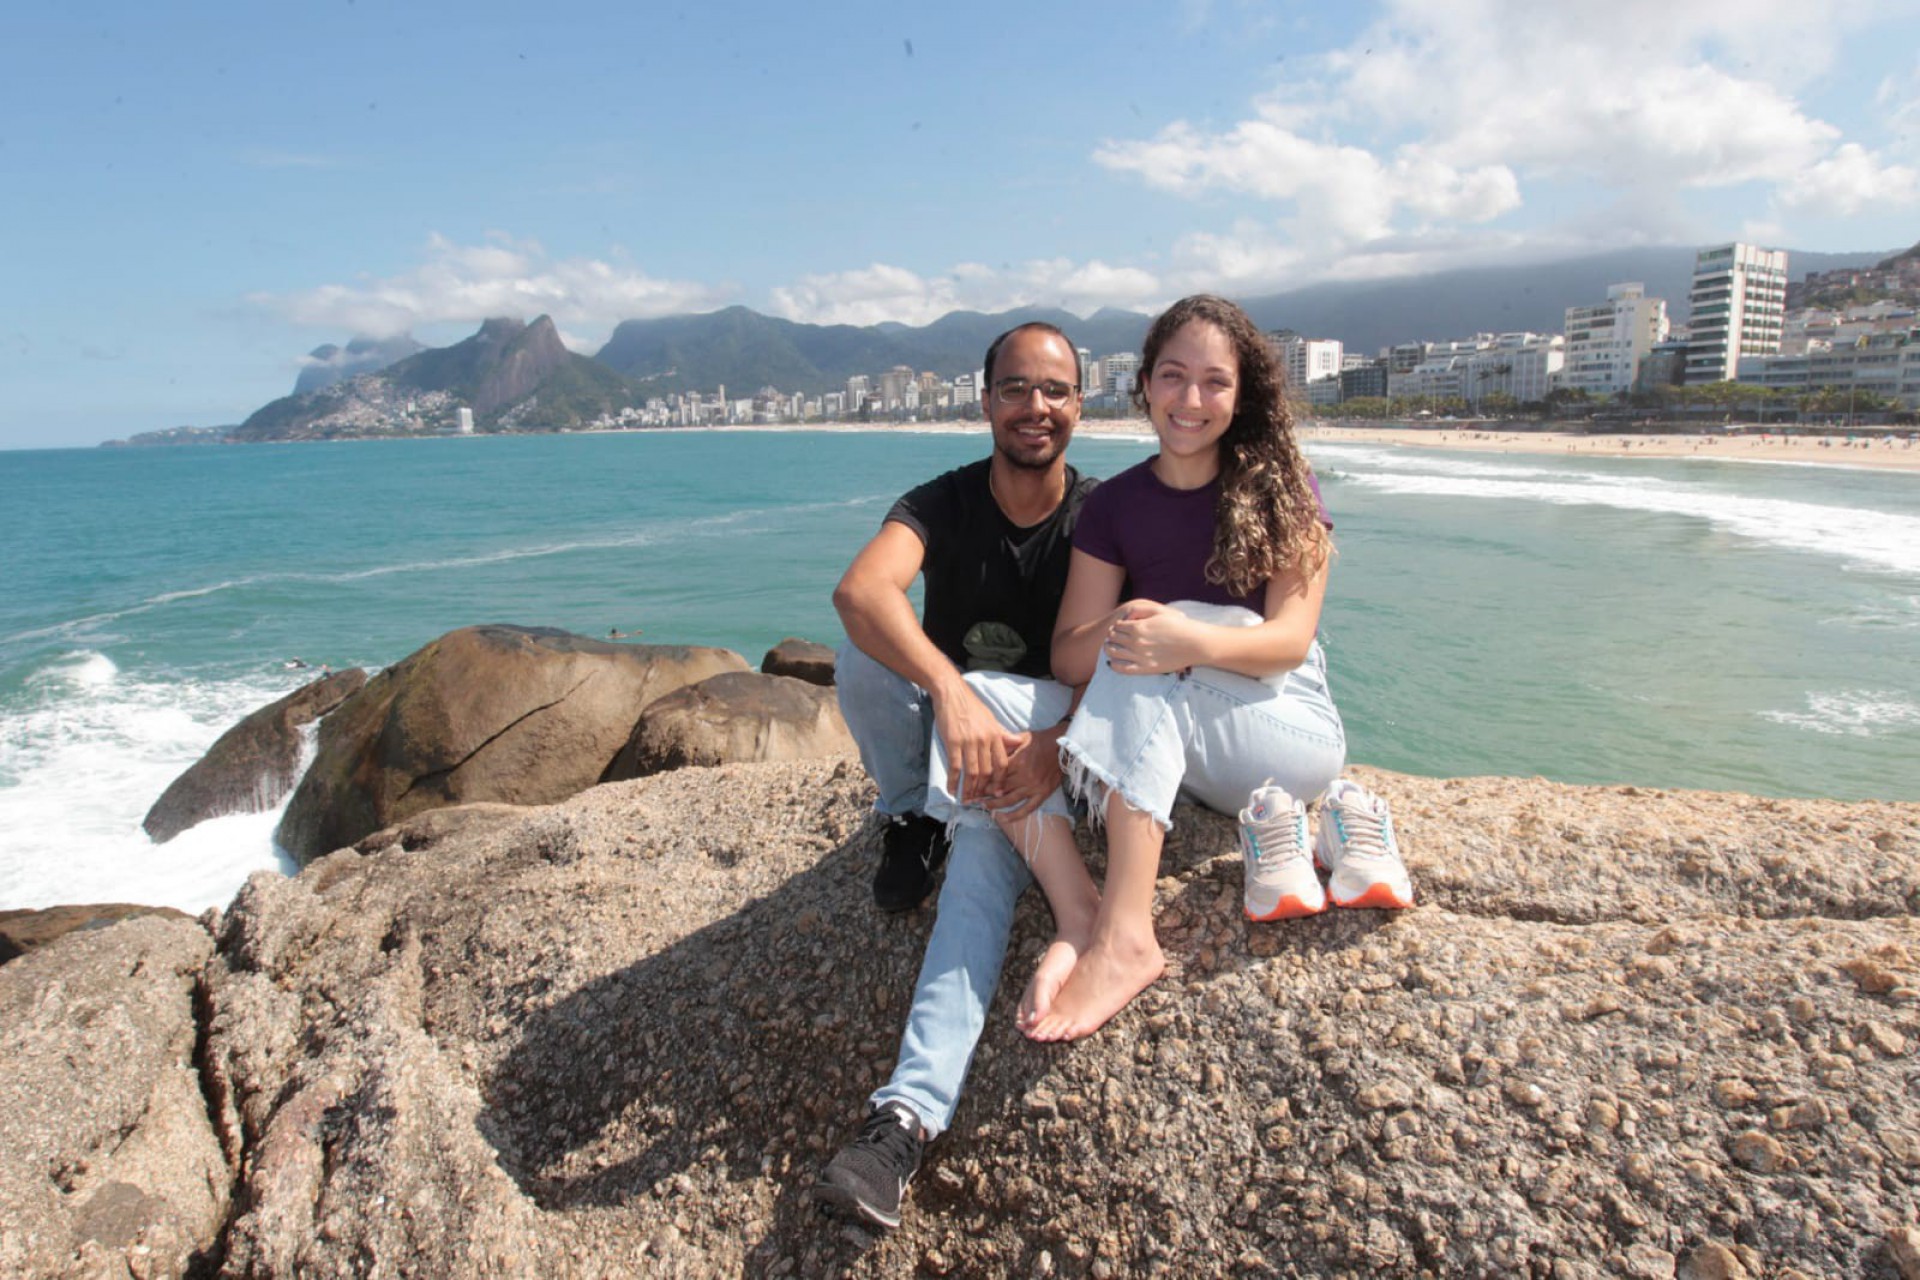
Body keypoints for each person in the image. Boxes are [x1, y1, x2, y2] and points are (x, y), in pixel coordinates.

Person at [1001, 294, 1413, 1045]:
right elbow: (1067, 654)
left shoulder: (1283, 489)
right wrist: (1146, 622)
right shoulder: (1115, 506)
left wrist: (1188, 636)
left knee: (1152, 636)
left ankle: (1123, 936)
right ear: (1144, 386)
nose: (1191, 400)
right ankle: (1087, 921)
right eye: (1172, 376)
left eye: (1215, 382)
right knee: (1062, 673)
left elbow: (1288, 642)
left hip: (1286, 729)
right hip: (1184, 742)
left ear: (1243, 393)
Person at [814, 322, 1098, 1229]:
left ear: (1080, 406)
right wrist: (951, 689)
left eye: (1054, 390)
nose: (1034, 407)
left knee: (978, 875)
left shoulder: (1101, 516)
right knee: (861, 656)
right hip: (966, 743)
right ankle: (911, 816)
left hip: (1049, 749)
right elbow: (862, 592)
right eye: (1015, 389)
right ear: (984, 403)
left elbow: (1136, 659)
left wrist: (1057, 745)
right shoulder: (941, 501)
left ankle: (900, 1121)